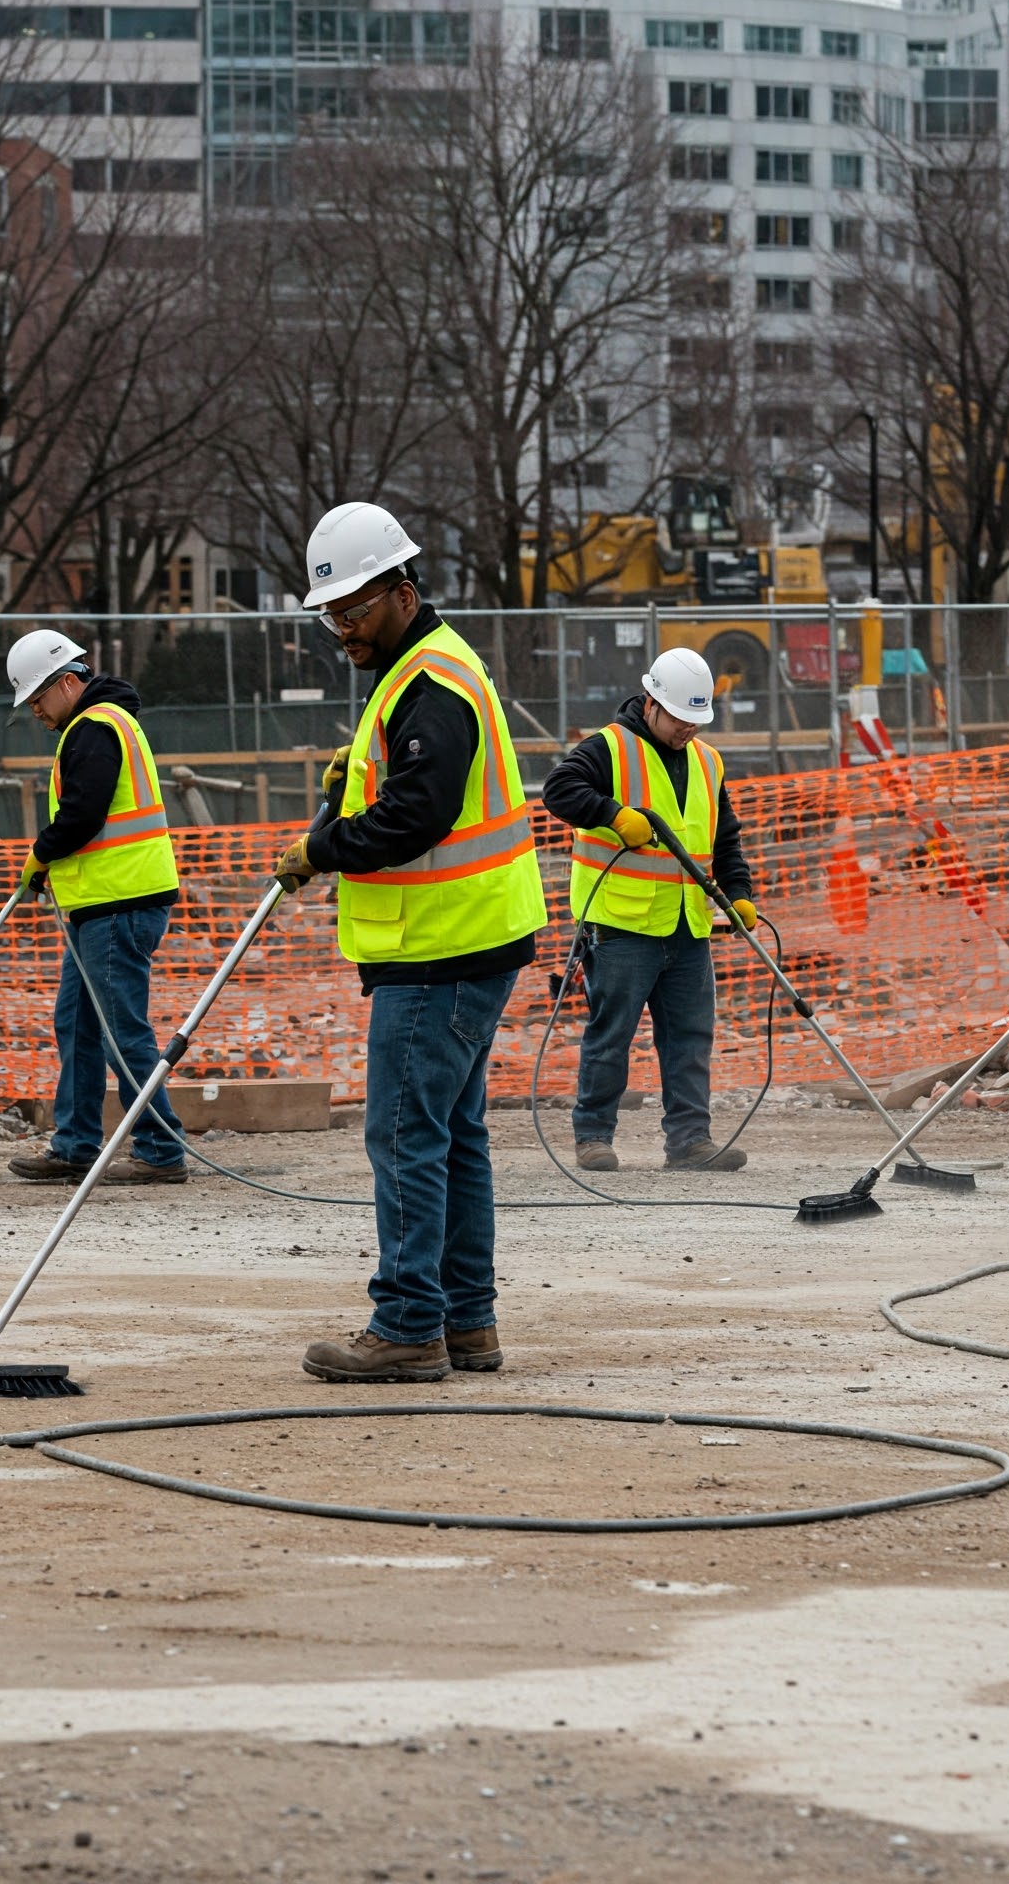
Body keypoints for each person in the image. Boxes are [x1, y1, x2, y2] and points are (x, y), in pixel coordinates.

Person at [274, 502, 546, 1382]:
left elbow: (420, 812)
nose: (342, 629)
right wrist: (354, 775)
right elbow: (414, 780)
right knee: (450, 1135)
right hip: (464, 942)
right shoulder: (419, 671)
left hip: (441, 949)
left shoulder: (431, 682)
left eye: (354, 610)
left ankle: (407, 1325)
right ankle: (465, 1321)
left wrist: (324, 845)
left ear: (401, 589)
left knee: (404, 1134)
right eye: (332, 615)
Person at [542, 647, 758, 1174]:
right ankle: (592, 1135)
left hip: (686, 924)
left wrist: (738, 890)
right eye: (681, 718)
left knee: (689, 1037)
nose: (689, 729)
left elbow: (723, 837)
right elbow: (559, 790)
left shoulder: (708, 760)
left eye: (696, 719)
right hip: (622, 924)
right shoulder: (609, 748)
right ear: (652, 702)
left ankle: (690, 1141)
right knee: (611, 1033)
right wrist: (612, 814)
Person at [2, 628, 188, 1188]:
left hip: (119, 903)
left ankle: (160, 1147)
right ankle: (76, 1143)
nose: (35, 710)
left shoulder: (94, 728)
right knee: (78, 1023)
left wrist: (40, 852)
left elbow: (83, 816)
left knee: (119, 1030)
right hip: (99, 904)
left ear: (66, 682)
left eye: (37, 698)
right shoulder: (96, 726)